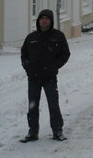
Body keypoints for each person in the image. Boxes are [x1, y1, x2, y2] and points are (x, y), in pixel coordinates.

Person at [20, 9, 71, 142]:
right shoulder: (31, 38)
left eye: (47, 18)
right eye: (42, 18)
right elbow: (24, 54)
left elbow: (65, 54)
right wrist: (28, 67)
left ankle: (57, 130)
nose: (44, 20)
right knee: (33, 105)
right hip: (33, 78)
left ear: (51, 21)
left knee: (53, 104)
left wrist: (54, 66)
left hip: (50, 78)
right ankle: (33, 132)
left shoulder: (58, 36)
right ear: (38, 21)